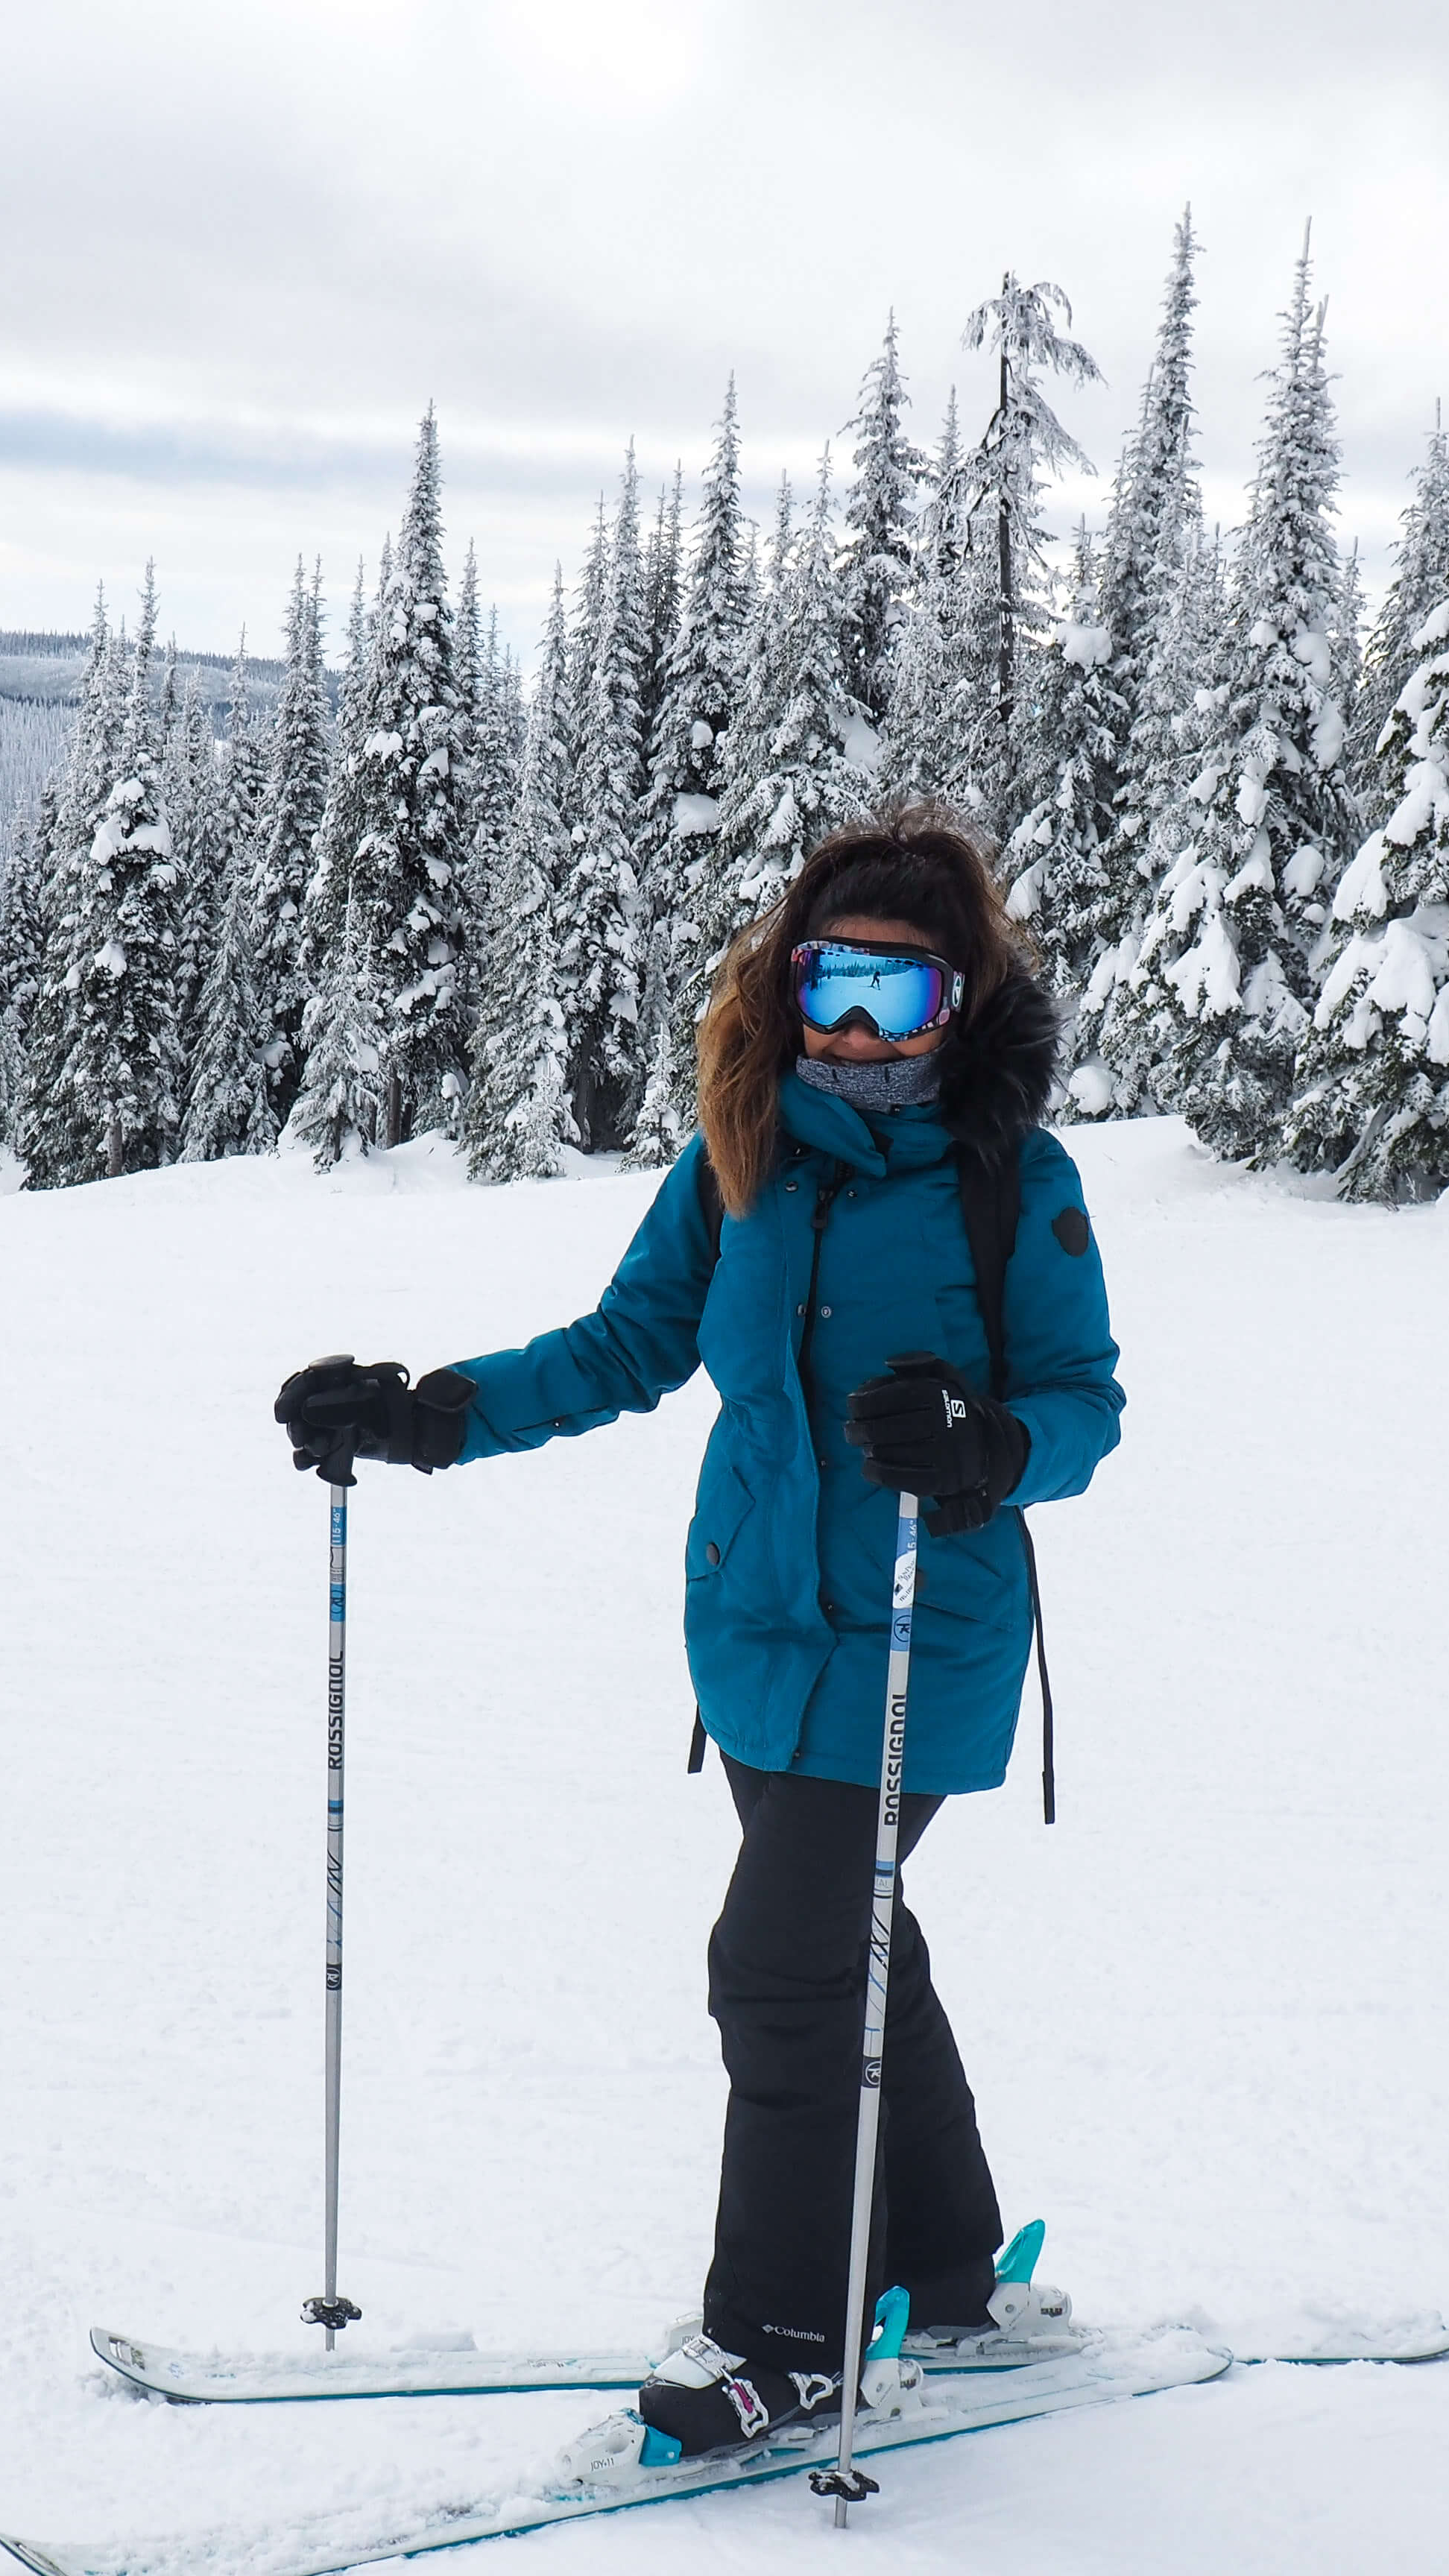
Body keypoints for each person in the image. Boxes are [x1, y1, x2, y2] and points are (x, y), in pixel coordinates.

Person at [272, 802, 1122, 2459]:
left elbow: (1084, 1406)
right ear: (788, 984)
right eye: (833, 987)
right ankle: (943, 2269)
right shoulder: (744, 1150)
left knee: (784, 1969)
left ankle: (787, 2339)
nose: (856, 1030)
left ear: (959, 1010)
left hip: (911, 1635)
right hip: (749, 1636)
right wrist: (429, 1414)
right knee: (853, 1940)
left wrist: (991, 1450)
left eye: (899, 998)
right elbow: (624, 1346)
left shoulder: (1015, 1180)